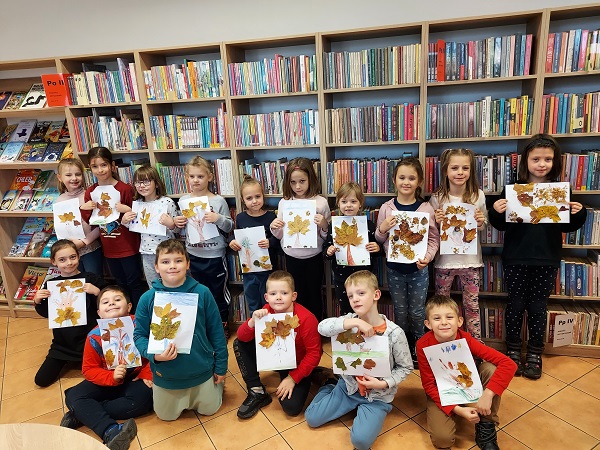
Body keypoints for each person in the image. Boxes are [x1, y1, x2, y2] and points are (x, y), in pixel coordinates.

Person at [488, 134, 586, 379]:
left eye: (548, 159)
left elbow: (566, 227)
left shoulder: (560, 192)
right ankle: (512, 351)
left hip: (546, 259)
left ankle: (534, 354)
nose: (542, 164)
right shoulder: (513, 190)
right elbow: (501, 226)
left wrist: (579, 213)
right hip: (516, 258)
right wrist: (497, 212)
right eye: (536, 159)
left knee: (538, 308)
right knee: (515, 305)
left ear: (556, 162)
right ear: (526, 161)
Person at [305, 270, 413, 450]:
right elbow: (322, 327)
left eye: (361, 293)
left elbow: (405, 367)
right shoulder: (348, 321)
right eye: (350, 296)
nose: (355, 299)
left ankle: (364, 411)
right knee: (312, 418)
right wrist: (353, 323)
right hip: (347, 388)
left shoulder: (394, 333)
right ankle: (328, 385)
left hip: (378, 397)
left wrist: (384, 383)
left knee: (361, 442)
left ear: (376, 295)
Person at [133, 239, 228, 421]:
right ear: (157, 267)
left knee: (210, 410)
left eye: (178, 260)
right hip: (167, 374)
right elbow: (139, 336)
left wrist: (221, 367)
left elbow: (217, 332)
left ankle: (215, 386)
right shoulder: (147, 298)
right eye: (165, 261)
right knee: (165, 416)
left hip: (200, 369)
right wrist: (155, 356)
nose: (172, 266)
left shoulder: (203, 292)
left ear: (187, 264)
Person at [417, 295, 517, 450]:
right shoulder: (422, 345)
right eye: (437, 318)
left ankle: (486, 424)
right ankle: (457, 412)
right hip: (442, 391)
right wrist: (458, 410)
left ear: (460, 321)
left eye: (449, 317)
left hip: (468, 385)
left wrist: (488, 395)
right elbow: (429, 386)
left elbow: (508, 364)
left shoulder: (466, 339)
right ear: (428, 324)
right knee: (442, 440)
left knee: (491, 369)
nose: (444, 322)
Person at [61, 285, 153, 450]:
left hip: (136, 379)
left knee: (143, 401)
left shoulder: (142, 325)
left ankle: (82, 414)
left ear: (129, 306)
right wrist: (111, 377)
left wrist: (148, 373)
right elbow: (89, 369)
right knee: (75, 395)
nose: (112, 304)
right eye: (105, 302)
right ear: (99, 313)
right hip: (107, 380)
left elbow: (154, 352)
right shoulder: (94, 336)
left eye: (117, 300)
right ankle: (110, 430)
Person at [375, 157, 440, 365]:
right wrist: (383, 228)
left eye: (411, 178)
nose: (406, 182)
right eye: (402, 177)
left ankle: (419, 348)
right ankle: (402, 349)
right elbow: (378, 239)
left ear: (419, 182)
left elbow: (433, 238)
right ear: (394, 179)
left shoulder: (426, 209)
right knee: (400, 311)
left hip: (418, 270)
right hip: (394, 269)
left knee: (418, 311)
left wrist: (427, 258)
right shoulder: (386, 208)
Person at [234, 270, 321, 419]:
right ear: (266, 297)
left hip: (297, 364)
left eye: (284, 293)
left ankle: (314, 373)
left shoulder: (307, 319)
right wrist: (253, 322)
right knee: (239, 343)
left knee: (291, 407)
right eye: (273, 294)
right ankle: (257, 390)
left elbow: (314, 353)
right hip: (274, 358)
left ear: (294, 296)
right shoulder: (265, 312)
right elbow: (241, 336)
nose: (279, 298)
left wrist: (292, 378)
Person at [429, 149, 487, 341]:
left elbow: (483, 225)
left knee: (471, 305)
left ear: (471, 171)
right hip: (444, 262)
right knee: (442, 306)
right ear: (445, 170)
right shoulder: (437, 197)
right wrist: (436, 221)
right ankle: (442, 343)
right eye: (454, 168)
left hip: (470, 262)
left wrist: (480, 222)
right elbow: (431, 231)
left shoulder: (478, 195)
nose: (460, 172)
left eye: (465, 168)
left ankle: (475, 347)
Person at [33, 239, 107, 387]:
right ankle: (70, 360)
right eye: (62, 259)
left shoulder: (91, 278)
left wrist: (98, 292)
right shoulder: (51, 285)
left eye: (73, 257)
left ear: (78, 256)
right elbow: (47, 313)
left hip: (91, 341)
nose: (69, 263)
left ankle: (88, 360)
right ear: (54, 262)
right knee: (41, 380)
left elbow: (108, 307)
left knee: (109, 374)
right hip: (63, 344)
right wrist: (37, 301)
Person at [173, 156, 233, 336]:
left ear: (209, 177)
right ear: (187, 177)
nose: (196, 180)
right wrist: (177, 221)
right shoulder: (183, 200)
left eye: (200, 176)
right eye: (192, 176)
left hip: (215, 255)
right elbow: (178, 228)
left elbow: (229, 226)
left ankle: (222, 326)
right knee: (196, 293)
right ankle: (201, 327)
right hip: (193, 255)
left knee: (217, 293)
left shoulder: (218, 201)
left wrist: (218, 218)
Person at [80, 147, 146, 311]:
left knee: (134, 282)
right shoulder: (91, 191)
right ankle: (122, 314)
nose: (100, 170)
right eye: (95, 166)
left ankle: (137, 315)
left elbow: (138, 216)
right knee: (119, 283)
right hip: (109, 247)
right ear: (90, 168)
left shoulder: (125, 189)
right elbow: (91, 221)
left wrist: (127, 211)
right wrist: (85, 208)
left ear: (112, 165)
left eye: (104, 165)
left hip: (128, 246)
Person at [270, 157, 331, 321]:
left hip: (314, 256)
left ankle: (315, 330)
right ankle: (300, 331)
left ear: (311, 179)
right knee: (296, 296)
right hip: (291, 257)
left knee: (315, 294)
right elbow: (281, 235)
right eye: (293, 182)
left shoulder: (321, 203)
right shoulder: (285, 202)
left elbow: (327, 237)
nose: (298, 186)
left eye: (302, 181)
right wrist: (275, 227)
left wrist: (324, 225)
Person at [323, 182, 380, 314]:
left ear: (360, 204)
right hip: (341, 278)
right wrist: (329, 251)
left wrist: (377, 248)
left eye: (353, 201)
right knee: (347, 310)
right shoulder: (334, 226)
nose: (348, 205)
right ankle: (350, 333)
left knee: (367, 308)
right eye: (344, 201)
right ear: (338, 203)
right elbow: (325, 251)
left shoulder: (368, 225)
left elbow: (377, 251)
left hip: (364, 278)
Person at [120, 165, 179, 288]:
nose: (142, 186)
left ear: (156, 183)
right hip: (147, 252)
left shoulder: (167, 202)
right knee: (153, 285)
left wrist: (172, 224)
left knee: (173, 283)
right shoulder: (138, 204)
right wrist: (125, 221)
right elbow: (134, 226)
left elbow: (178, 229)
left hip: (168, 252)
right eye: (138, 182)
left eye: (146, 181)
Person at [229, 175, 278, 315]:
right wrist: (232, 241)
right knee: (252, 301)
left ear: (263, 196)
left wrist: (270, 242)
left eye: (258, 196)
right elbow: (237, 235)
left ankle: (269, 331)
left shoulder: (270, 217)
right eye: (249, 198)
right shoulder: (241, 217)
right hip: (249, 271)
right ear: (243, 200)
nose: (254, 201)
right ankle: (255, 331)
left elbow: (278, 241)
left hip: (268, 270)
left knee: (268, 301)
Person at [55, 158, 102, 274]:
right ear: (60, 178)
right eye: (68, 175)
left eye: (78, 174)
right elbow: (60, 227)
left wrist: (84, 242)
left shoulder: (90, 195)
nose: (74, 178)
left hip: (91, 248)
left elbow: (100, 224)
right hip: (70, 252)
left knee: (93, 279)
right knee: (76, 281)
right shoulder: (59, 200)